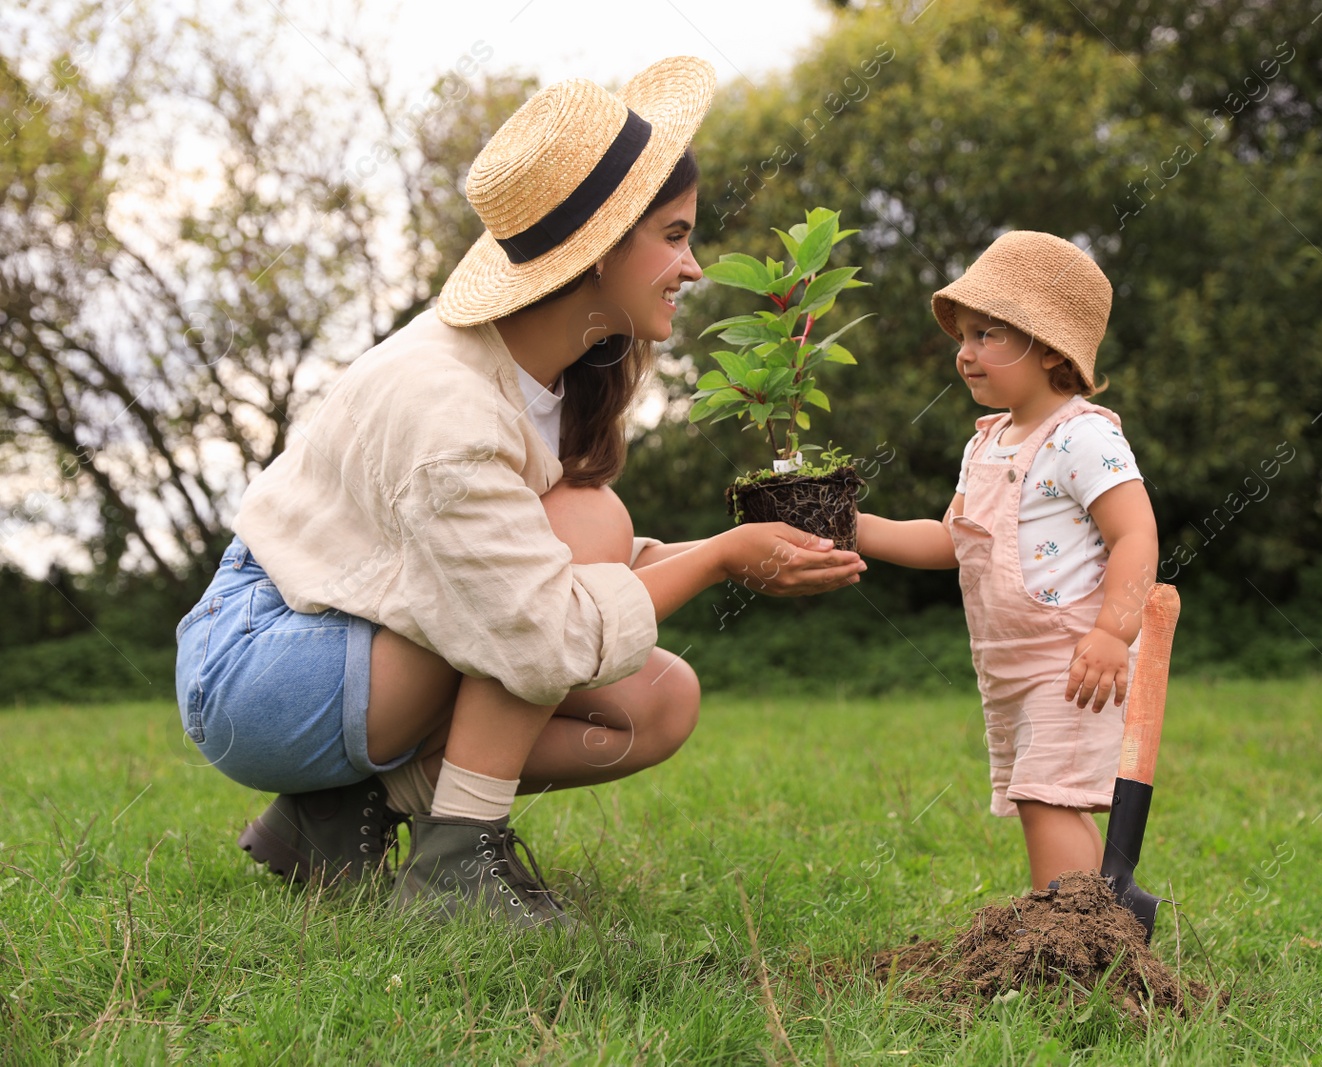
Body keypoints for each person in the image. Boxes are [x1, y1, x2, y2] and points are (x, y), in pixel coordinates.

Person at [172, 57, 867, 929]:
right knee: (590, 522)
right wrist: (724, 554)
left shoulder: (549, 370)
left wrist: (739, 556)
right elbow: (540, 629)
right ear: (601, 250)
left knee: (659, 700)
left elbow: (524, 569)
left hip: (355, 638)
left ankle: (347, 811)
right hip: (263, 665)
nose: (693, 268)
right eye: (677, 234)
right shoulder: (449, 406)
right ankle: (458, 859)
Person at [855, 231, 1158, 890]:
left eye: (988, 335)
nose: (965, 354)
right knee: (1038, 796)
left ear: (1049, 346)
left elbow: (1137, 533)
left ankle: (1071, 936)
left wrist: (1114, 630)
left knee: (1049, 794)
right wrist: (857, 529)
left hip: (1072, 658)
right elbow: (951, 540)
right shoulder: (987, 443)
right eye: (963, 337)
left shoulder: (1084, 436)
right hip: (1006, 662)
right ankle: (1075, 926)